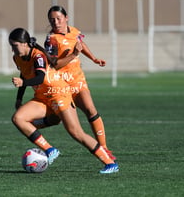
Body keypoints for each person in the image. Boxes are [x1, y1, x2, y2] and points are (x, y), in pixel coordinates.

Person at [9, 28, 119, 174]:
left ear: (24, 44)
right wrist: (19, 99)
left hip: (59, 95)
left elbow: (40, 77)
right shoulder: (17, 58)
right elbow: (24, 73)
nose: (13, 49)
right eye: (11, 46)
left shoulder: (38, 56)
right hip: (42, 98)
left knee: (76, 133)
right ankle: (50, 149)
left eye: (15, 45)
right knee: (18, 118)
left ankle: (110, 163)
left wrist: (23, 83)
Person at [44, 5, 116, 160]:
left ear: (66, 18)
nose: (55, 22)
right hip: (62, 85)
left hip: (77, 80)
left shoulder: (74, 31)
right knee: (55, 120)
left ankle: (104, 148)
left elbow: (80, 44)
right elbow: (54, 65)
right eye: (52, 20)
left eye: (58, 18)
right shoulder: (51, 40)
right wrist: (74, 54)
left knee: (91, 109)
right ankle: (30, 127)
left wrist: (94, 58)